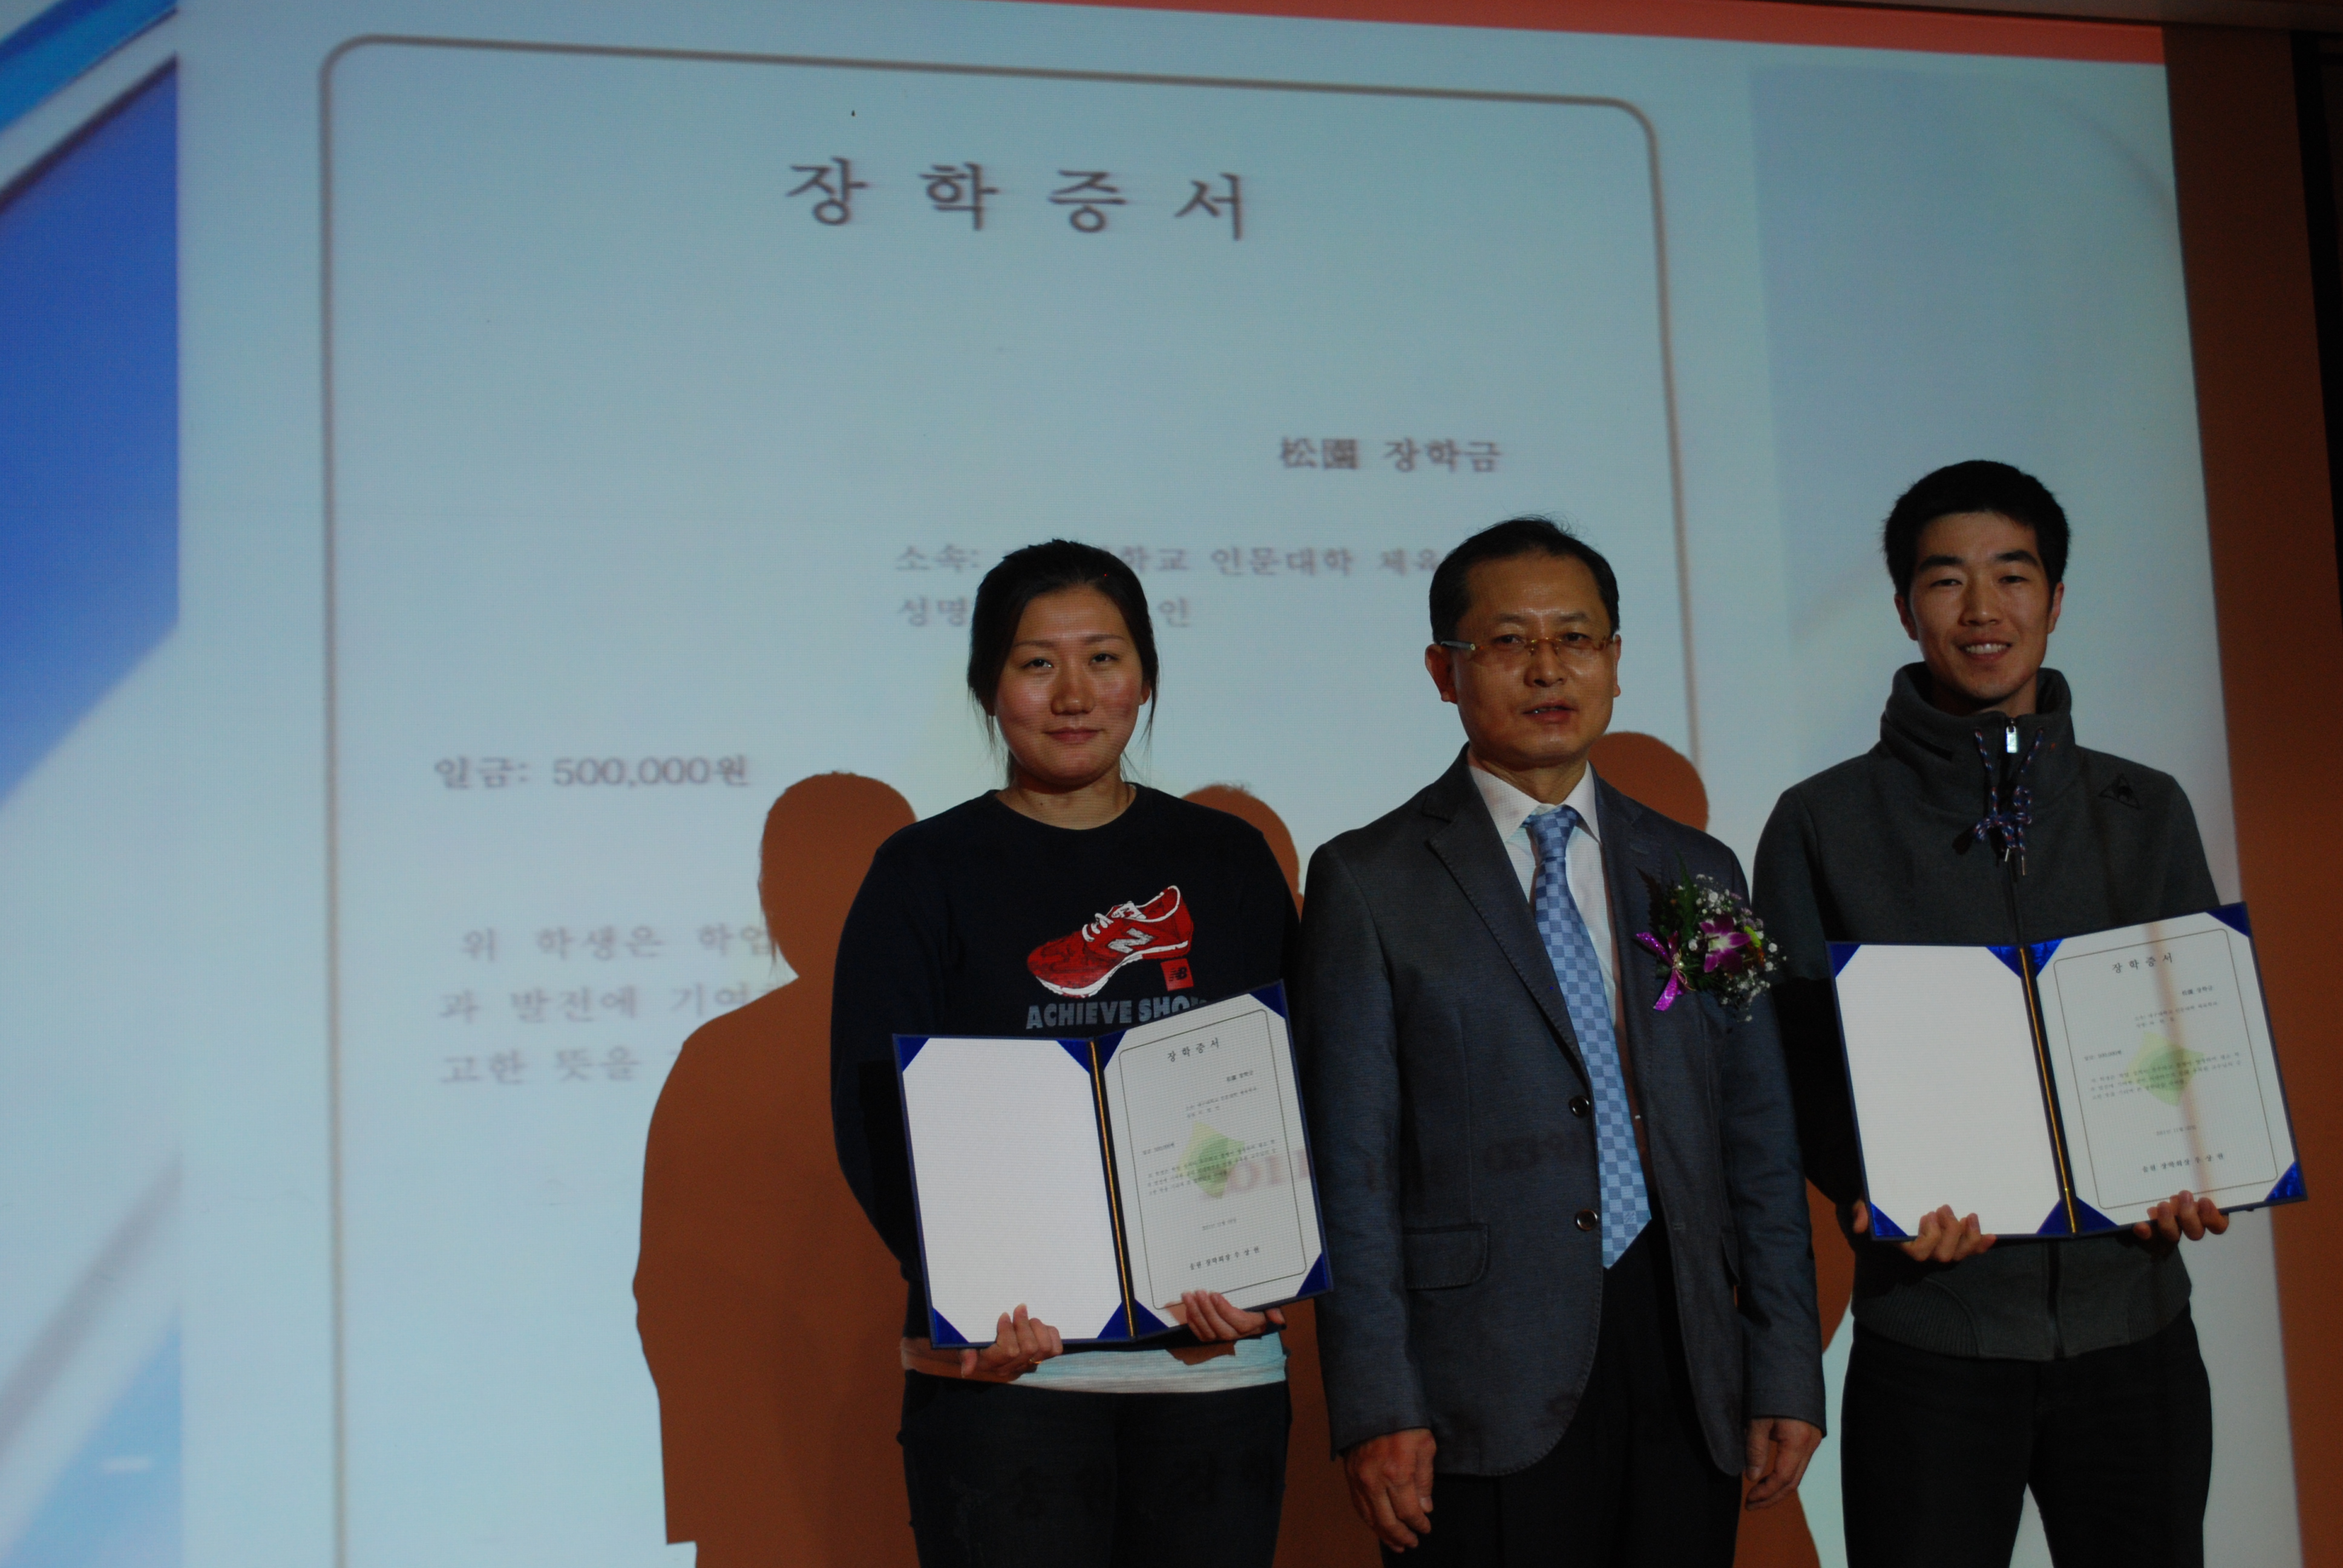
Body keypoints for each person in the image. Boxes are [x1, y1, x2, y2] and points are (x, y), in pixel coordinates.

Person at [1297, 517, 1826, 1566]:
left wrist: (1783, 1367)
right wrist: (1376, 1401)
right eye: (1509, 642)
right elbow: (1349, 1169)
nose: (1548, 668)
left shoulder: (1699, 869)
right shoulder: (1369, 880)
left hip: (1685, 1357)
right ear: (1444, 670)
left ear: (1616, 662)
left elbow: (1759, 1135)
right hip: (1477, 1375)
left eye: (1576, 639)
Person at [1754, 460, 2228, 1568]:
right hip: (1935, 1330)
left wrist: (2197, 1158)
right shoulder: (1823, 821)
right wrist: (1872, 1186)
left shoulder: (2144, 808)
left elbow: (2192, 1040)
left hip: (2137, 1327)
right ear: (1904, 607)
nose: (1982, 611)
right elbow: (1792, 1065)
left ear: (2055, 600)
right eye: (1946, 580)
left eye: (2012, 577)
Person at [830, 540, 1302, 1567]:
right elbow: (875, 1120)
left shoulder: (1226, 860)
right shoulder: (923, 872)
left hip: (1213, 1370)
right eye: (1037, 663)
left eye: (1104, 658)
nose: (1074, 694)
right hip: (1004, 1378)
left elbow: (1301, 1083)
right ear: (987, 687)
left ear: (1146, 677)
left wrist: (1265, 1263)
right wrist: (965, 1287)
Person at [636, 774, 916, 1565]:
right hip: (942, 1475)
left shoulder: (721, 1060)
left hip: (762, 1489)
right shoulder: (964, 1046)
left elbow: (669, 1298)